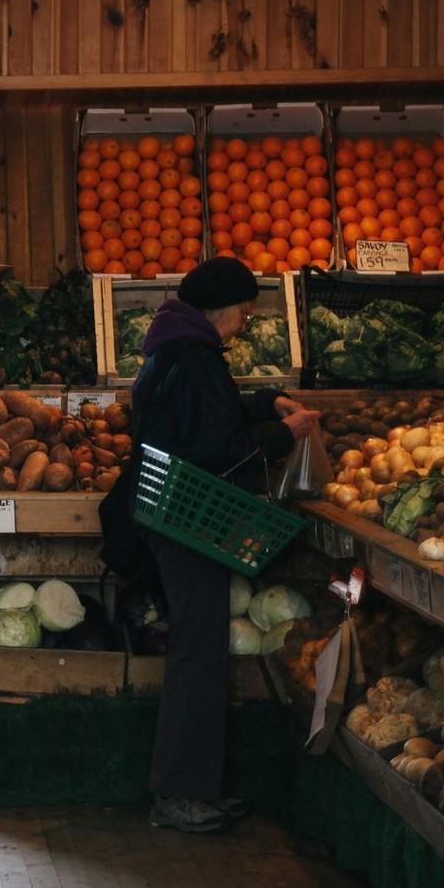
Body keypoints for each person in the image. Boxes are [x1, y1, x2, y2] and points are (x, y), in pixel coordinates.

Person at [130, 258, 319, 834]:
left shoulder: (173, 346)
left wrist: (265, 404)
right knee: (197, 652)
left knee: (200, 647)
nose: (243, 323)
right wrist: (282, 433)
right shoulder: (194, 359)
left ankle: (192, 788)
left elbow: (205, 419)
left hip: (169, 514)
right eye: (242, 312)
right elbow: (217, 448)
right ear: (218, 307)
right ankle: (182, 794)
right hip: (188, 520)